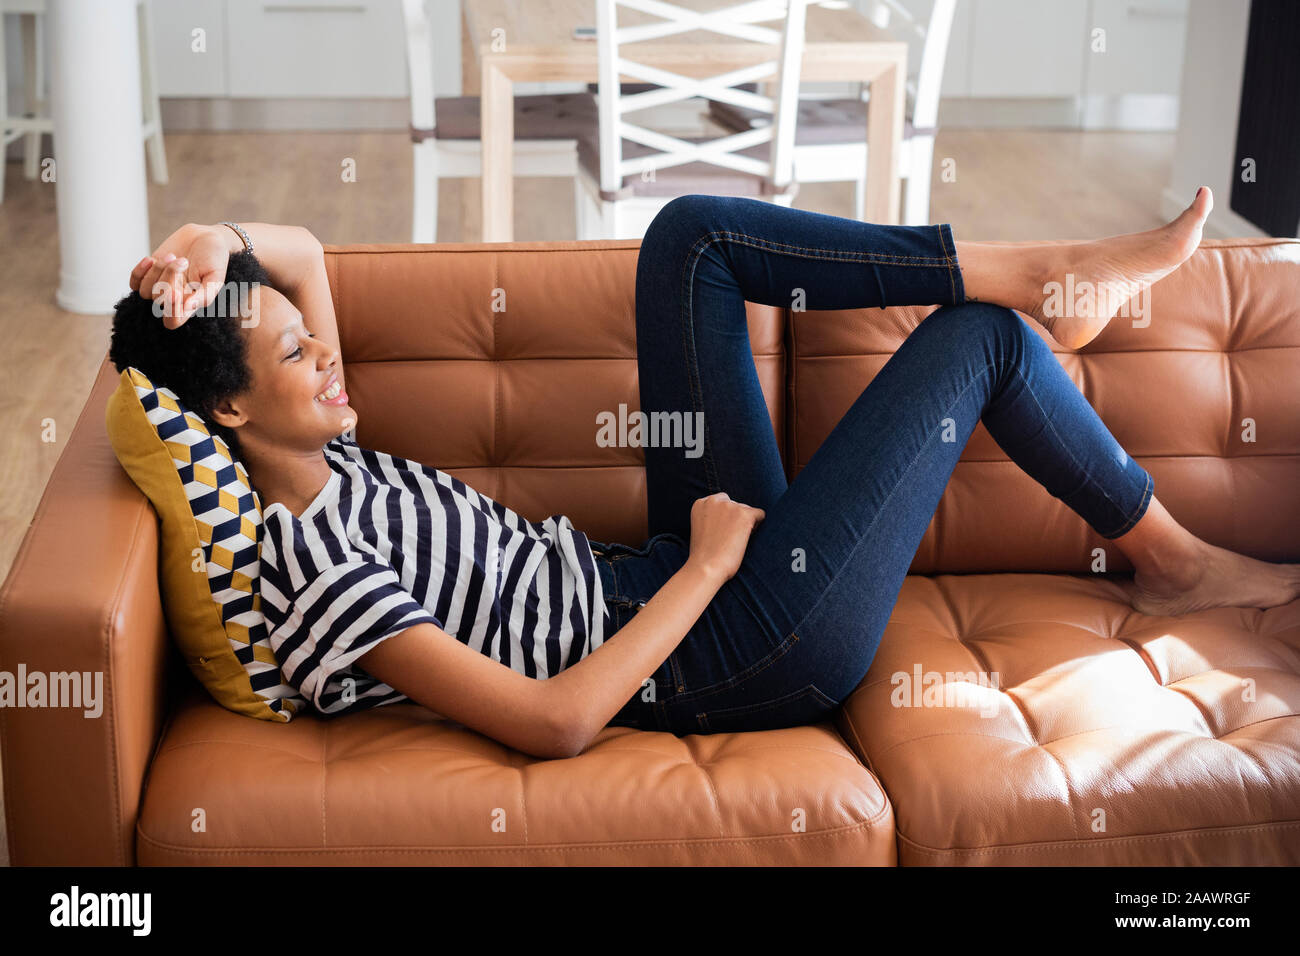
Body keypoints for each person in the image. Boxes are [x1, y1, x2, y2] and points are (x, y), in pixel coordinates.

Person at [109, 189, 1299, 759]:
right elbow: (555, 718)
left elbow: (305, 253)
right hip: (729, 644)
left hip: (674, 569)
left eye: (312, 339)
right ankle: (1176, 560)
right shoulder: (314, 564)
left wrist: (218, 242)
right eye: (293, 353)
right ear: (226, 408)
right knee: (975, 345)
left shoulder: (329, 445)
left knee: (691, 242)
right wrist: (715, 565)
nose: (327, 356)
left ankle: (1031, 268)